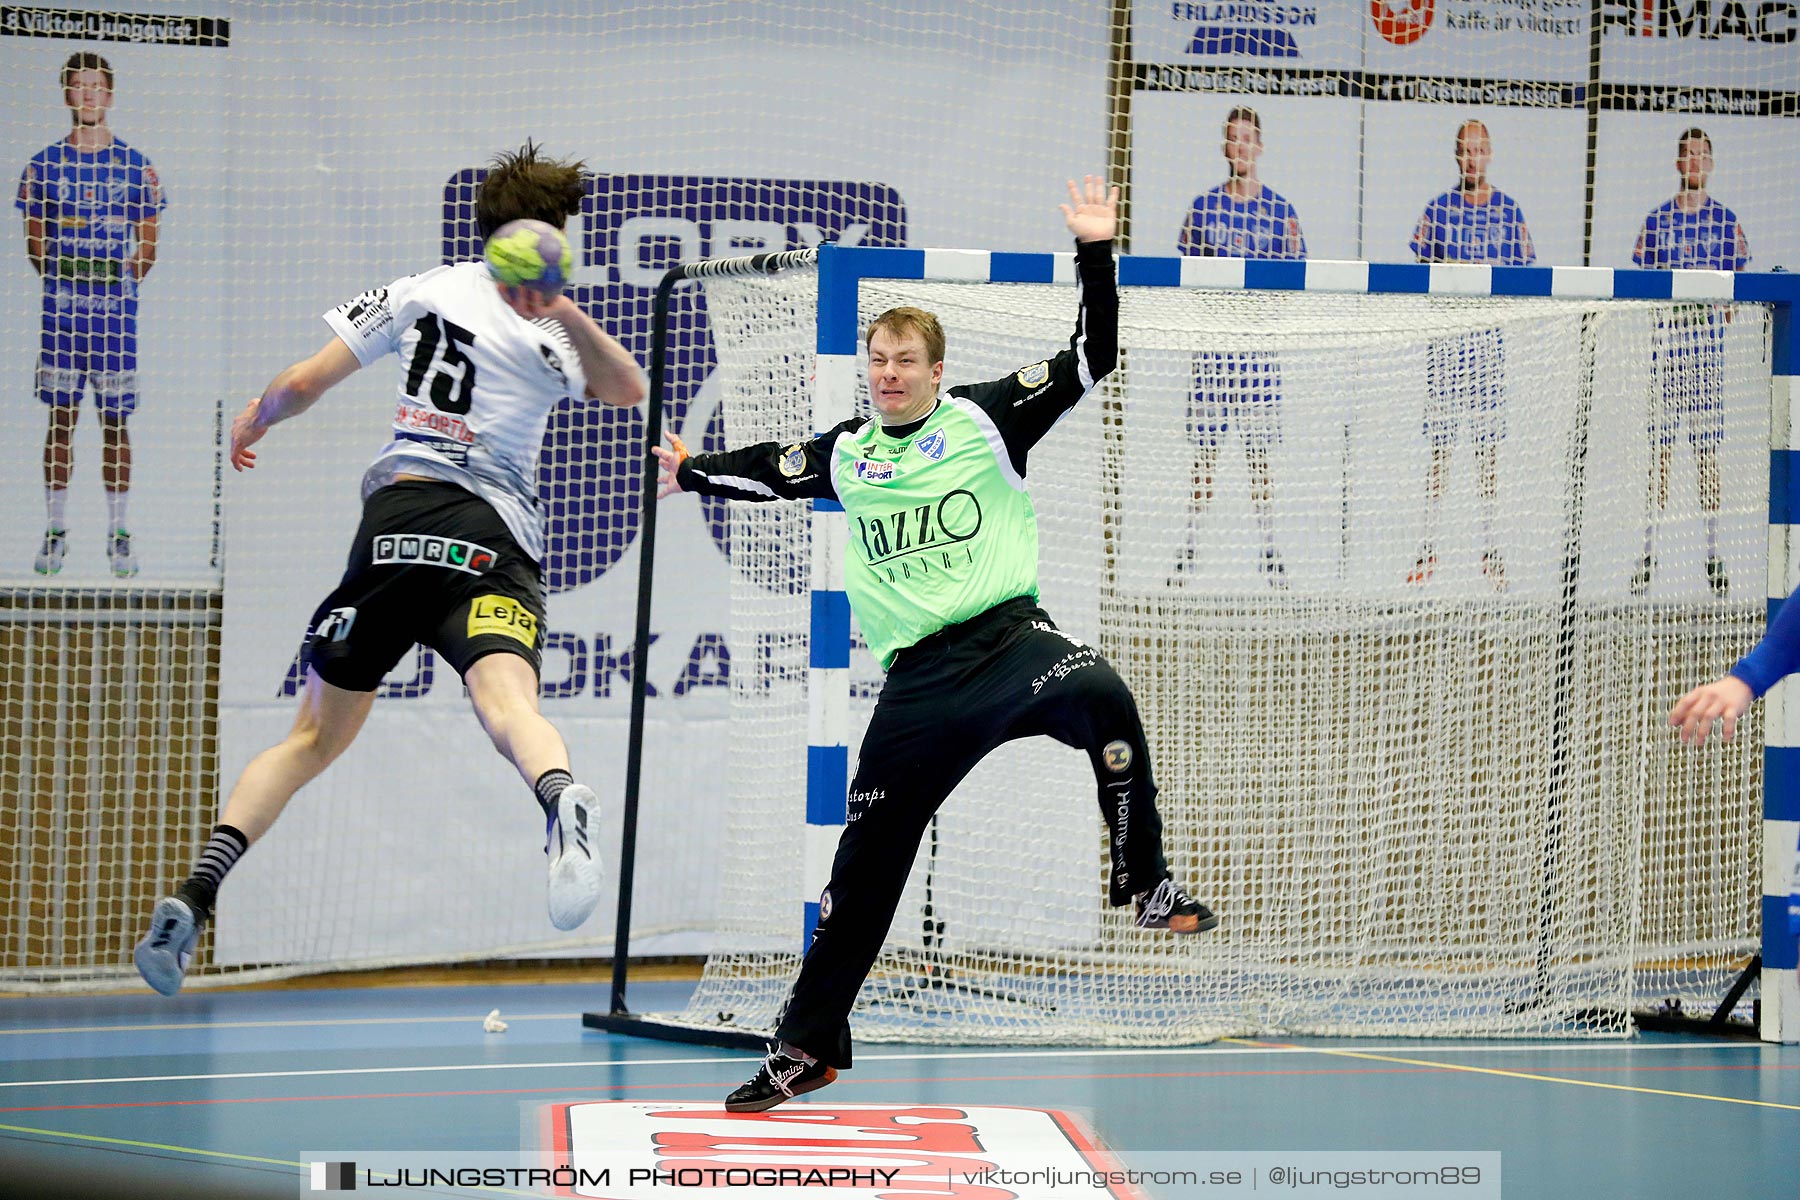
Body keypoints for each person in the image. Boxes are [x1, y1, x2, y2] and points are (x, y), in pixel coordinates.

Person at [652, 177, 1217, 1113]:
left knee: (1108, 697)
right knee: (862, 870)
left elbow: (1095, 351)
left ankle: (1145, 880)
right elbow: (769, 471)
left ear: (935, 370)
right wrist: (693, 472)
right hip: (919, 682)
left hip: (1012, 642)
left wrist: (1093, 250)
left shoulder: (987, 420)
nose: (887, 374)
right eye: (877, 360)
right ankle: (806, 1048)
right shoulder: (848, 452)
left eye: (904, 361)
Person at [132, 144, 646, 995]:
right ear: (553, 237)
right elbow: (628, 387)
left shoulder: (422, 291)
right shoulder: (550, 335)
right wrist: (566, 310)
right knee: (508, 705)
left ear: (485, 234)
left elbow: (302, 382)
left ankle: (197, 892)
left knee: (308, 739)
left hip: (395, 525)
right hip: (488, 535)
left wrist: (256, 419)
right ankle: (560, 798)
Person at [17, 52, 166, 577]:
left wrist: (114, 285)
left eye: (96, 86)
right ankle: (56, 531)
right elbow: (36, 241)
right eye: (78, 86)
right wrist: (69, 278)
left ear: (110, 93)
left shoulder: (136, 166)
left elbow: (147, 243)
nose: (87, 95)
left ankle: (117, 533)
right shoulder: (42, 166)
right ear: (66, 94)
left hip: (114, 321)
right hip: (62, 317)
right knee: (61, 420)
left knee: (115, 422)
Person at [1171, 106, 1305, 589]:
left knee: (1259, 457)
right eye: (1234, 138)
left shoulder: (1281, 212)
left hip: (1258, 357)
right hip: (1213, 356)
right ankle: (1189, 548)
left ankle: (1270, 551)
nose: (1242, 147)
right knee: (1204, 458)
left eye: (1250, 138)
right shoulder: (1203, 210)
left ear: (1260, 145)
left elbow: (1296, 281)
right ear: (1225, 146)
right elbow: (1185, 277)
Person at [1406, 118, 1535, 592]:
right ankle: (1428, 544)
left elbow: (1523, 279)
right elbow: (1422, 273)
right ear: (1457, 155)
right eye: (1466, 150)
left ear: (1490, 152)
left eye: (1481, 149)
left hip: (1487, 348)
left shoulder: (1509, 212)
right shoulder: (1438, 211)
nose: (1473, 157)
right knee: (1441, 451)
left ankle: (1490, 545)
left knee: (1486, 452)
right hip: (1447, 346)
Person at [1630, 126, 1750, 598]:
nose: (1695, 163)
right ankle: (1648, 550)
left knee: (1707, 457)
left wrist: (1720, 305)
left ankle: (1713, 551)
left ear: (1711, 164)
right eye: (1688, 155)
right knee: (1659, 457)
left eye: (1703, 155)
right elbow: (1642, 289)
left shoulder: (1726, 223)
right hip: (1669, 355)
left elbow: (1739, 292)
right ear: (1677, 163)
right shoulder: (1657, 222)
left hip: (1707, 358)